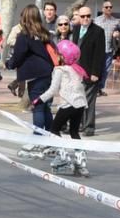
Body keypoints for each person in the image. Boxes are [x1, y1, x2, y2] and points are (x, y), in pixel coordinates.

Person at [36, 39, 90, 177]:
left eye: (58, 53)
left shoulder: (59, 70)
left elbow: (53, 90)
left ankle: (63, 157)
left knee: (54, 130)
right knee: (74, 132)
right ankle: (81, 162)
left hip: (68, 104)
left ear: (63, 56)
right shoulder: (77, 69)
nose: (56, 55)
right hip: (80, 104)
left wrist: (39, 100)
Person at [7, 4, 56, 132]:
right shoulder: (44, 33)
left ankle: (38, 138)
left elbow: (19, 55)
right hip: (48, 73)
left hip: (36, 75)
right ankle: (52, 136)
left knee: (38, 107)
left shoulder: (24, 35)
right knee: (45, 107)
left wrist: (10, 64)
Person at [70, 5, 106, 136]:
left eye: (88, 16)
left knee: (89, 101)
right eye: (83, 16)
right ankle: (79, 124)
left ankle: (89, 127)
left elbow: (100, 54)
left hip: (90, 72)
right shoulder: (75, 28)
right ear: (78, 17)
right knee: (77, 99)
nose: (86, 18)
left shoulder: (98, 31)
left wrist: (95, 73)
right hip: (76, 72)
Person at [94, 1, 120, 96]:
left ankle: (99, 88)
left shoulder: (116, 21)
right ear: (102, 8)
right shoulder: (96, 21)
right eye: (106, 7)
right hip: (98, 50)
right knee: (97, 69)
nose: (109, 8)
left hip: (109, 50)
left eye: (110, 7)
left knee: (106, 70)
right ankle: (95, 88)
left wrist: (118, 34)